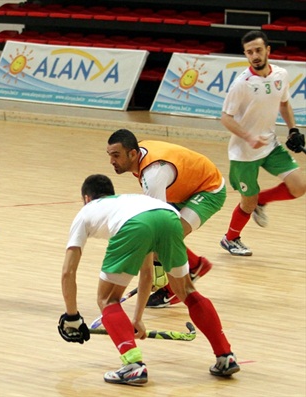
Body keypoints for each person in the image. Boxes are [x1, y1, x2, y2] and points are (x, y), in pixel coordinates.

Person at [58, 174, 239, 386]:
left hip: (135, 225)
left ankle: (133, 366)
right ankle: (225, 355)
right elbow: (146, 273)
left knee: (107, 299)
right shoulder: (128, 202)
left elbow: (67, 272)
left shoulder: (86, 211)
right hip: (169, 217)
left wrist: (72, 316)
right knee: (187, 291)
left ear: (87, 198)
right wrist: (137, 318)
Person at [106, 129, 223, 308]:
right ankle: (195, 265)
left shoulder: (153, 175)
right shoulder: (140, 153)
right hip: (184, 187)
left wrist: (154, 270)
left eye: (116, 155)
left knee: (164, 240)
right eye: (110, 155)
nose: (112, 161)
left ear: (132, 153)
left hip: (208, 189)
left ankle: (174, 290)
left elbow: (158, 227)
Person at [219, 30, 306, 256]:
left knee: (299, 187)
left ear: (268, 50)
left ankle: (261, 201)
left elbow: (284, 103)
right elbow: (225, 118)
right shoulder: (242, 84)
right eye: (249, 52)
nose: (255, 55)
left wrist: (293, 129)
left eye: (258, 50)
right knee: (247, 204)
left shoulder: (281, 74)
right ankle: (230, 239)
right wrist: (248, 137)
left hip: (270, 145)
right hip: (244, 153)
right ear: (245, 55)